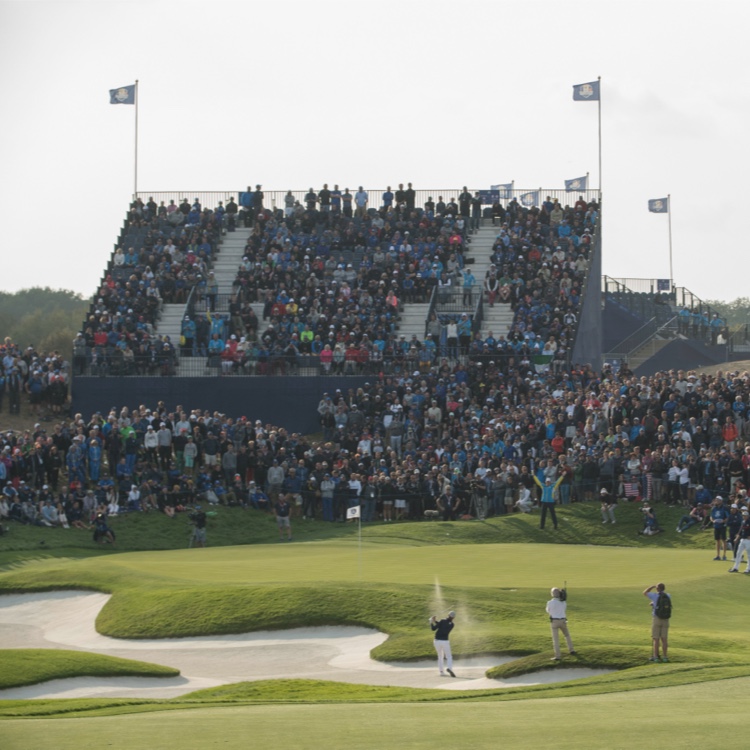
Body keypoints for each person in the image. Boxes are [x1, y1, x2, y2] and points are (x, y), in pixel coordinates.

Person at [545, 587, 576, 661]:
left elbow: (547, 611)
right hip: (563, 621)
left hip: (554, 622)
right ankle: (571, 650)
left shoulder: (550, 602)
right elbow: (564, 609)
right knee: (567, 635)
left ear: (552, 594)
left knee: (556, 640)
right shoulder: (564, 602)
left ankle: (558, 656)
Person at [643, 582, 671, 662]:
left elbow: (644, 592)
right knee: (664, 639)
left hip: (657, 619)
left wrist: (651, 586)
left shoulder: (654, 596)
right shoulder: (668, 596)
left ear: (657, 588)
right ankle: (665, 657)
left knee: (656, 639)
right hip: (666, 619)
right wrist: (653, 603)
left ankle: (655, 657)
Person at [430, 610, 456, 677]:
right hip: (445, 641)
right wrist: (435, 621)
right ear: (453, 618)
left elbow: (434, 628)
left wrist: (431, 622)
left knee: (440, 656)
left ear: (448, 615)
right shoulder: (452, 625)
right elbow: (443, 625)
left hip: (437, 641)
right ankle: (449, 668)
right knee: (449, 656)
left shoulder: (442, 620)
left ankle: (441, 672)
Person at [728, 508, 750, 573]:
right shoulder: (743, 522)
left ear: (748, 516)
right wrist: (737, 538)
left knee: (749, 555)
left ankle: (748, 568)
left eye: (745, 515)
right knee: (738, 553)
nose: (744, 516)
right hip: (742, 540)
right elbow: (740, 531)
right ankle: (735, 567)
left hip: (748, 540)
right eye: (743, 515)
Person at [710, 496, 730, 560]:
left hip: (722, 526)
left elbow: (728, 517)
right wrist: (713, 521)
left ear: (721, 501)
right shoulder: (714, 508)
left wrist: (723, 521)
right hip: (716, 526)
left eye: (718, 500)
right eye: (716, 500)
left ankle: (724, 555)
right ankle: (718, 555)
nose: (716, 501)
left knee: (724, 540)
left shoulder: (724, 508)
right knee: (717, 540)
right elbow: (711, 516)